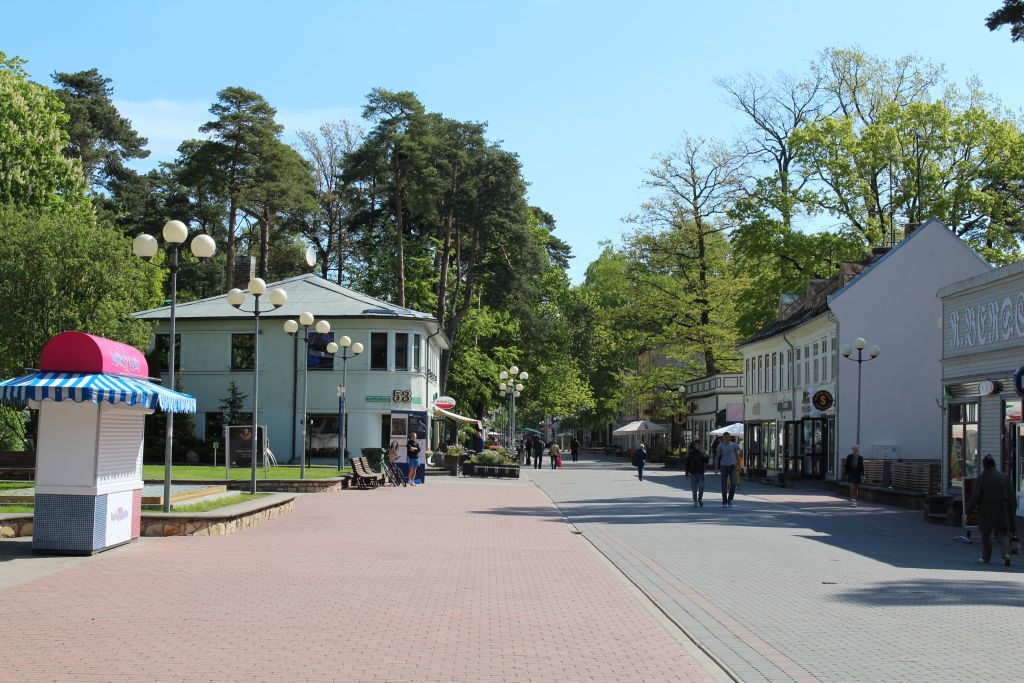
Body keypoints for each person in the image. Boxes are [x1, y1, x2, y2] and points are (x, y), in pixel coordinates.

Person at [967, 454, 1017, 566]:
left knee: (986, 534)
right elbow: (1012, 497)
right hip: (1002, 510)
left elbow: (975, 496)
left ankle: (986, 557)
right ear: (994, 464)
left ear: (984, 465)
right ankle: (1006, 554)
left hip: (987, 511)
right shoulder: (1004, 477)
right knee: (1003, 533)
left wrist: (968, 511)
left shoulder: (982, 477)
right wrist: (1012, 511)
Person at [715, 433, 740, 507]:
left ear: (730, 438)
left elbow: (737, 455)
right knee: (724, 486)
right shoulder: (720, 446)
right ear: (723, 438)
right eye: (725, 437)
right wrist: (716, 468)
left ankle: (730, 500)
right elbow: (717, 457)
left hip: (732, 466)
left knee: (734, 484)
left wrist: (739, 465)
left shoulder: (733, 445)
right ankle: (724, 501)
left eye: (728, 437)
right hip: (724, 467)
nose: (726, 439)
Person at [685, 438, 708, 507]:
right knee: (694, 489)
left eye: (699, 445)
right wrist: (686, 473)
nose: (697, 446)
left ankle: (700, 498)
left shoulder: (704, 452)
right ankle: (695, 500)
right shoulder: (690, 453)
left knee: (702, 486)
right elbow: (687, 463)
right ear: (694, 445)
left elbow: (706, 460)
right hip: (693, 473)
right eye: (696, 445)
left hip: (701, 473)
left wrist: (702, 453)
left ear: (701, 445)